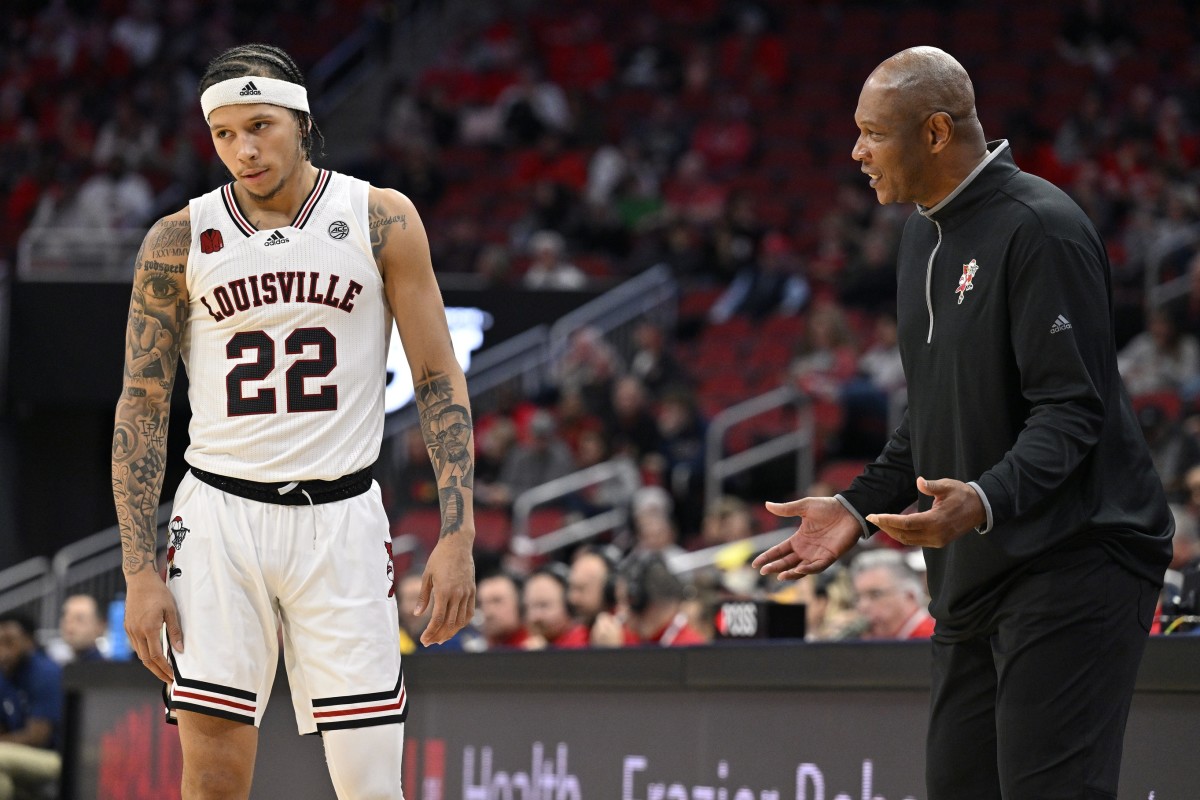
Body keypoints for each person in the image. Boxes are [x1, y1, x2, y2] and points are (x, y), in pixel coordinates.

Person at [753, 47, 1173, 800]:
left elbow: (1072, 410)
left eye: (872, 133)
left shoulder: (1040, 226)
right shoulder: (921, 234)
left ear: (937, 132)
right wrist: (857, 506)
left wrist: (981, 498)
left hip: (1077, 556)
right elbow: (937, 408)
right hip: (977, 571)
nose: (856, 153)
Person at [110, 44, 477, 800]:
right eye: (224, 134)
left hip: (341, 517)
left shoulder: (381, 218)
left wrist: (459, 532)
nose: (243, 150)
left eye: (261, 126)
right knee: (211, 779)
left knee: (372, 787)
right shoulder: (175, 241)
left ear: (303, 122)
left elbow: (438, 377)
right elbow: (141, 405)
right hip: (217, 519)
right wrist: (138, 568)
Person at [0, 612, 63, 800]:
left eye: (9, 642)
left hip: (54, 756)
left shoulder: (46, 673)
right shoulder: (4, 674)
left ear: (29, 642)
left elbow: (38, 737)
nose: (3, 651)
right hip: (16, 753)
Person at [849, 549, 934, 640]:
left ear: (910, 596)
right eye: (857, 598)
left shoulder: (931, 640)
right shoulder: (877, 638)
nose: (863, 606)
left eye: (876, 594)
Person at [521, 565, 589, 649]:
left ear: (568, 606)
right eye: (529, 607)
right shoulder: (526, 644)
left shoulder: (584, 643)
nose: (535, 617)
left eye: (544, 606)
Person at [476, 573, 533, 650]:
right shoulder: (473, 649)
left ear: (519, 604)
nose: (488, 612)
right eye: (481, 603)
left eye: (497, 601)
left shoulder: (538, 650)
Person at [56, 594, 108, 664]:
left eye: (79, 619)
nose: (69, 627)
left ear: (100, 626)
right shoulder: (56, 663)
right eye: (66, 619)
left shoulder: (106, 670)